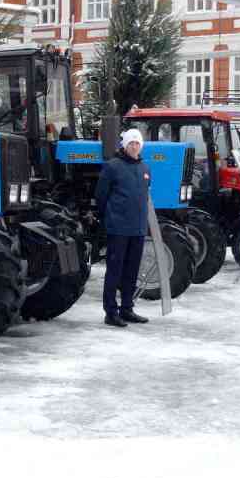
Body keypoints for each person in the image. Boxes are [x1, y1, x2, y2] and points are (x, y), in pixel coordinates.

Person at [95, 128, 151, 328]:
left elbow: (144, 197)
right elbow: (101, 196)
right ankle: (110, 312)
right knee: (115, 271)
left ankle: (127, 308)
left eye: (137, 143)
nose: (134, 146)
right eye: (131, 143)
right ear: (124, 146)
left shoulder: (145, 168)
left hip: (137, 228)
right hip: (118, 228)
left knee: (131, 271)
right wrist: (108, 218)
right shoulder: (112, 167)